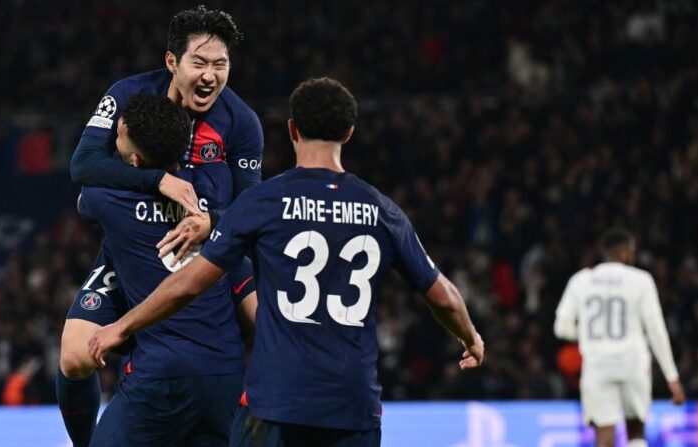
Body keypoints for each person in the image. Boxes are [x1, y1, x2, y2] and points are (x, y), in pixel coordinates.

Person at [88, 77, 484, 447]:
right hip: (354, 405)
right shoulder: (382, 210)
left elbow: (190, 283)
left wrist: (121, 326)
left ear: (292, 130)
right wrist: (470, 337)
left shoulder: (263, 203)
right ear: (349, 132)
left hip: (275, 404)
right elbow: (443, 296)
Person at [58, 5, 263, 447]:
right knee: (75, 358)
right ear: (172, 62)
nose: (210, 75)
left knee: (265, 326)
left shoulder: (241, 123)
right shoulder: (128, 96)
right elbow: (84, 164)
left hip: (212, 247)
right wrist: (157, 179)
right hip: (134, 243)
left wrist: (213, 222)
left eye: (220, 64)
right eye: (199, 63)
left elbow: (252, 209)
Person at [78, 93, 256, 446]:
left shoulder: (107, 199)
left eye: (119, 138)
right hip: (226, 376)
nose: (115, 138)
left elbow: (84, 184)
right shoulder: (216, 193)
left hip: (160, 377)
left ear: (134, 158)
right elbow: (247, 208)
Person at [554, 228, 686, 447]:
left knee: (604, 434)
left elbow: (561, 328)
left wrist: (586, 336)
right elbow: (656, 330)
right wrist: (672, 376)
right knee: (635, 429)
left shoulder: (581, 280)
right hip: (633, 363)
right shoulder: (640, 280)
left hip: (597, 365)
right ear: (624, 253)